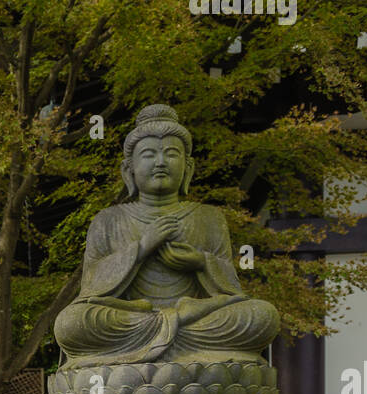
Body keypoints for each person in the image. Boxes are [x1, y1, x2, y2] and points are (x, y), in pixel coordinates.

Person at [52, 104, 279, 368]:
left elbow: (231, 288)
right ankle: (176, 343)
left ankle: (173, 335)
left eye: (171, 154)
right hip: (133, 320)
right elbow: (91, 288)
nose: (160, 162)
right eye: (149, 154)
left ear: (188, 168)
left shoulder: (209, 217)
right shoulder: (108, 220)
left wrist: (201, 262)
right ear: (129, 170)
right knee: (72, 323)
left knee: (262, 315)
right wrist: (141, 248)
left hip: (195, 320)